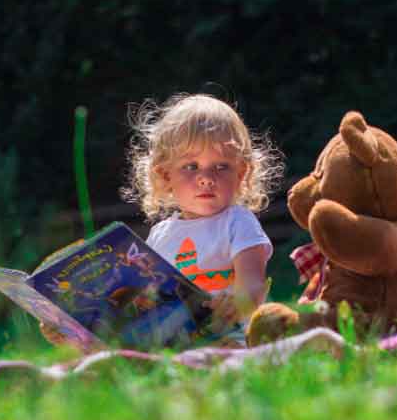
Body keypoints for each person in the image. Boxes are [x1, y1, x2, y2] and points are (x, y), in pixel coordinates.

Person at [120, 93, 284, 347]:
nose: (206, 178)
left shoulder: (237, 222)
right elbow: (148, 302)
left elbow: (254, 284)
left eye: (221, 166)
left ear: (241, 173)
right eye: (191, 166)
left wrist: (237, 303)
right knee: (115, 357)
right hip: (175, 344)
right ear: (165, 175)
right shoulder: (160, 235)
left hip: (233, 336)